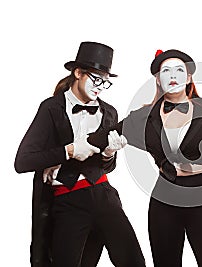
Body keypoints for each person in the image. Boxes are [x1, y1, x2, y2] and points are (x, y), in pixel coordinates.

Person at [87, 49, 202, 267]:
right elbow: (97, 141)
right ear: (158, 79)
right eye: (166, 71)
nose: (173, 75)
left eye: (180, 70)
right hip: (164, 198)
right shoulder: (142, 118)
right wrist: (99, 152)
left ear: (188, 78)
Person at [14, 41, 146, 267]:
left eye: (105, 82)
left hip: (104, 196)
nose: (100, 87)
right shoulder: (52, 108)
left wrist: (108, 154)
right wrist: (67, 152)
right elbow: (22, 161)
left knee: (133, 261)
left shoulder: (109, 112)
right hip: (67, 200)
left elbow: (106, 167)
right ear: (78, 73)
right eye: (96, 79)